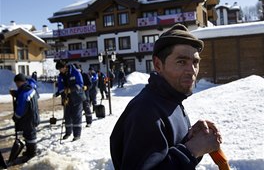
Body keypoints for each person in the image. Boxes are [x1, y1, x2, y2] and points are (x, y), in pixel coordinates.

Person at [110, 24, 222, 169]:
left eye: (195, 62)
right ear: (158, 65)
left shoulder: (171, 100)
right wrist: (191, 150)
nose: (192, 70)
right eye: (181, 62)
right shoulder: (145, 112)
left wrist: (192, 140)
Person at [10, 73, 40, 159]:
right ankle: (29, 151)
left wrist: (16, 116)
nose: (16, 85)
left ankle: (32, 153)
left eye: (17, 83)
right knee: (27, 134)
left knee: (30, 135)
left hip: (29, 118)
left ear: (21, 82)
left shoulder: (25, 93)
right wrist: (16, 93)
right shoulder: (29, 88)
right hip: (31, 116)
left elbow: (21, 107)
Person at [54, 60, 86, 141]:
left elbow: (80, 84)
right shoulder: (60, 76)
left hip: (77, 97)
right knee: (67, 117)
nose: (60, 71)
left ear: (65, 67)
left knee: (76, 117)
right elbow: (61, 88)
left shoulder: (75, 72)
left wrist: (71, 90)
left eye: (60, 69)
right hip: (67, 99)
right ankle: (68, 132)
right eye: (59, 70)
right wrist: (59, 94)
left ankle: (77, 135)